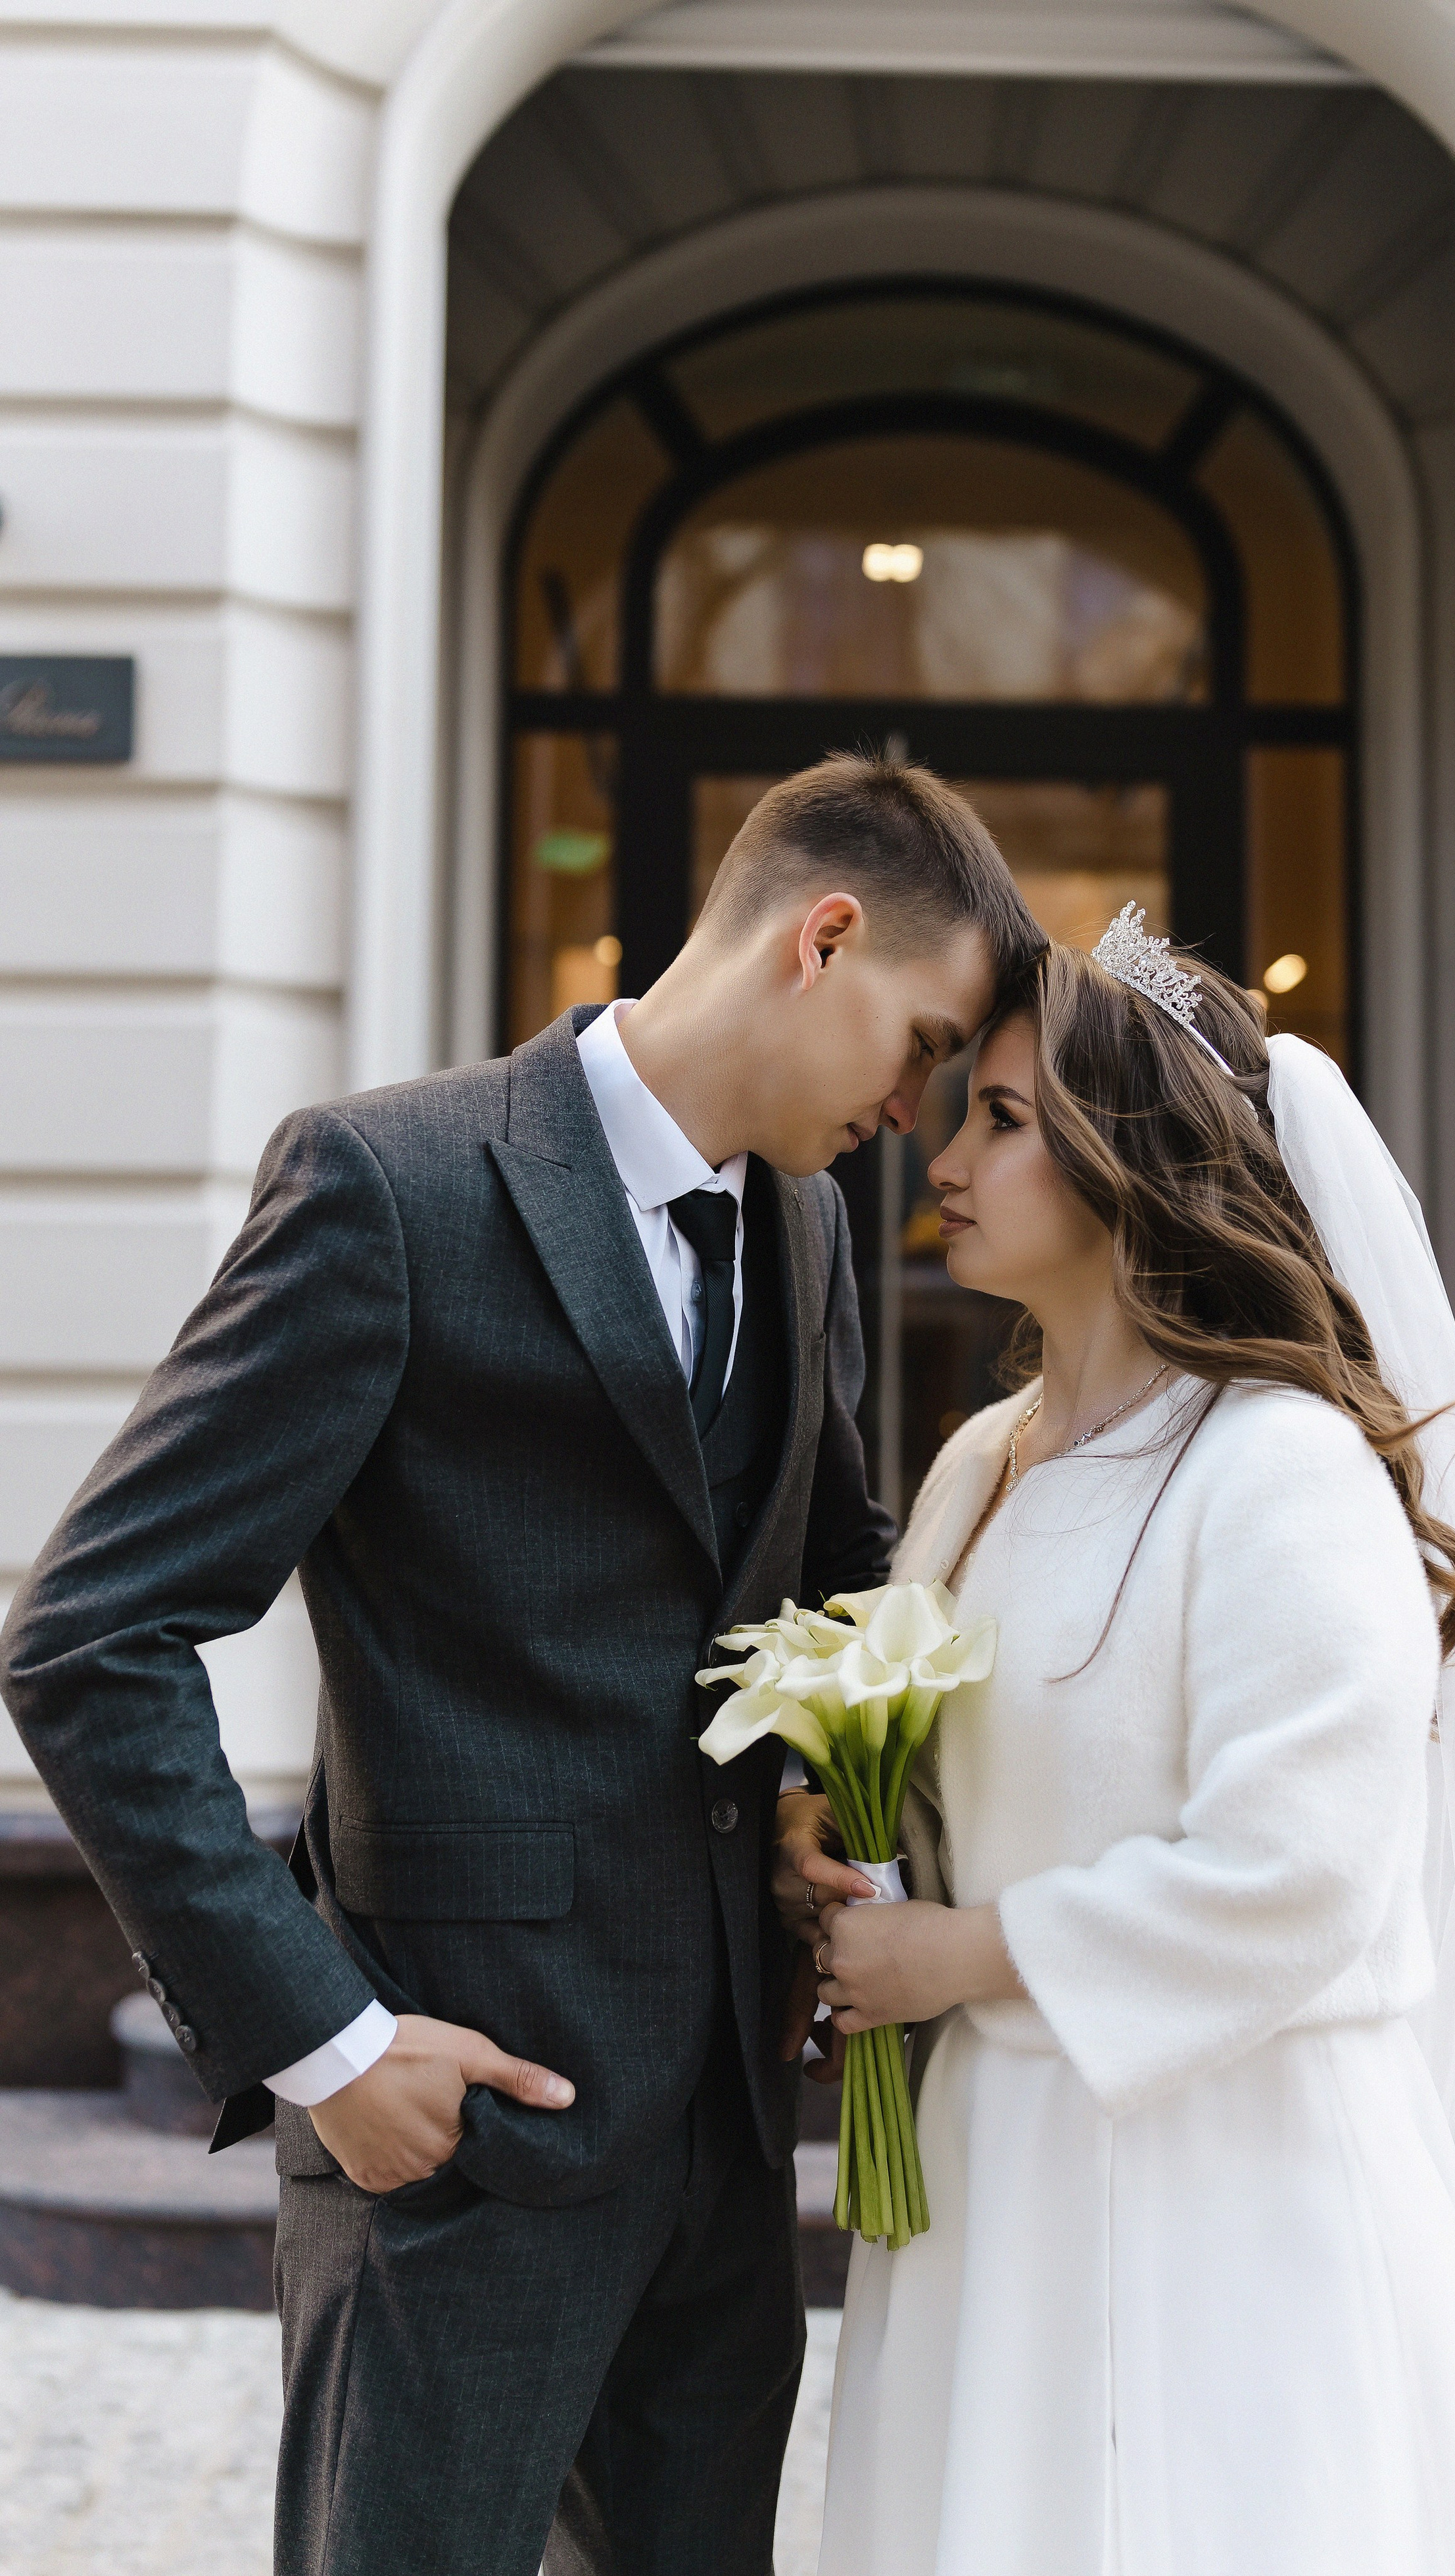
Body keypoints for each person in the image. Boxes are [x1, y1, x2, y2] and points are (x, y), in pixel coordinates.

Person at [0, 754, 1043, 2576]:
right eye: (927, 1038)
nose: (918, 1103)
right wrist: (325, 2041)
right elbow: (93, 1630)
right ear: (825, 937)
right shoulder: (388, 1186)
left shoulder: (800, 1224)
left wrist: (832, 1797)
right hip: (458, 2144)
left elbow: (826, 1572)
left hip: (722, 2154)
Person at [806, 919, 1455, 2575]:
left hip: (1226, 2176)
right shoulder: (981, 1457)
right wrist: (836, 1842)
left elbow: (1301, 1877)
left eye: (1005, 1120)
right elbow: (945, 1775)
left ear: (1127, 1163)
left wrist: (958, 1953)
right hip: (998, 2164)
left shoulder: (1277, 1468)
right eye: (965, 1109)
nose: (949, 1152)